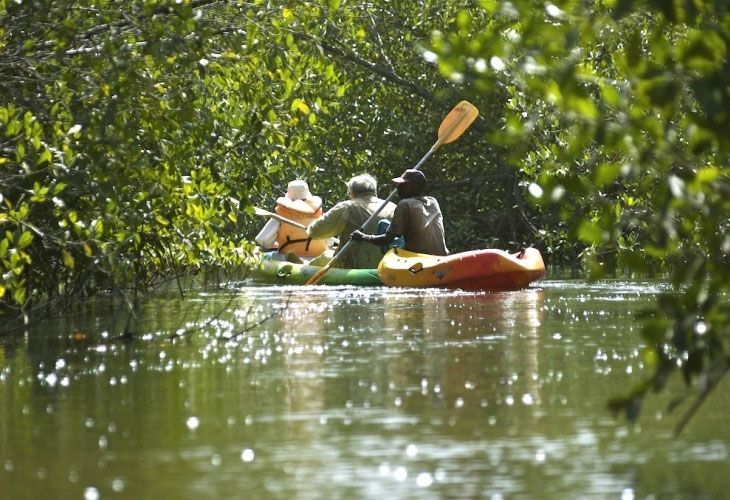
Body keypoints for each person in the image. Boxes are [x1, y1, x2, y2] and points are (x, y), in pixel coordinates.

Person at [306, 173, 396, 269]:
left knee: (325, 256)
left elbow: (315, 231)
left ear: (352, 193)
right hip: (387, 266)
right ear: (374, 191)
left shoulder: (348, 207)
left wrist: (309, 228)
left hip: (355, 267)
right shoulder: (392, 206)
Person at [350, 169, 448, 256]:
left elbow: (387, 239)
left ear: (413, 187)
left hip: (418, 257)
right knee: (384, 224)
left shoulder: (405, 204)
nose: (398, 188)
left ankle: (389, 261)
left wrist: (363, 237)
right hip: (442, 255)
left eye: (403, 185)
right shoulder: (433, 201)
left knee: (383, 228)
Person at [255, 179, 329, 259]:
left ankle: (295, 258)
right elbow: (329, 241)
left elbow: (263, 240)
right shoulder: (319, 213)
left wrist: (277, 244)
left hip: (286, 257)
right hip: (317, 256)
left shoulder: (281, 215)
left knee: (266, 256)